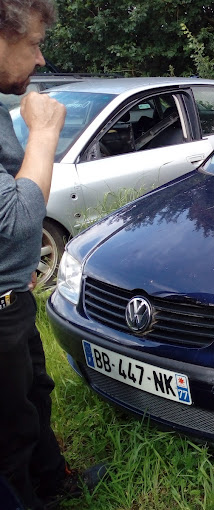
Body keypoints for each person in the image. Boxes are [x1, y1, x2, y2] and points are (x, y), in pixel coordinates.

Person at [0, 1, 106, 508]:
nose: (41, 60)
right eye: (34, 45)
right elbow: (20, 223)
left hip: (13, 299)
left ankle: (52, 481)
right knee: (8, 432)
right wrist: (44, 133)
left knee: (36, 394)